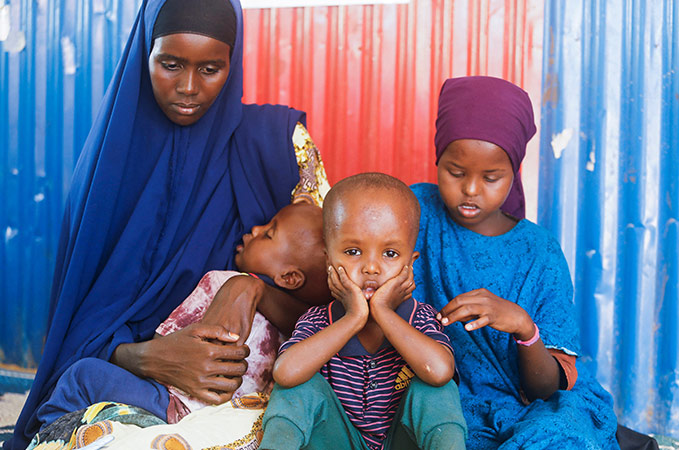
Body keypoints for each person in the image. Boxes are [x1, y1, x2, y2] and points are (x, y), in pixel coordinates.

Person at [8, 0, 329, 447]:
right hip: (124, 383)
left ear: (232, 65)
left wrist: (246, 286)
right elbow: (77, 325)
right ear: (145, 54)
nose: (188, 87)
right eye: (171, 64)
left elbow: (333, 306)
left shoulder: (274, 147)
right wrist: (145, 358)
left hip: (244, 399)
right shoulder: (105, 171)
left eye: (211, 69)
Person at [410, 76, 619, 449]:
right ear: (437, 158)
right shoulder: (415, 212)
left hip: (532, 408)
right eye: (455, 172)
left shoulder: (539, 253)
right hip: (444, 400)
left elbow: (543, 390)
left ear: (514, 172)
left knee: (561, 437)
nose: (471, 189)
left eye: (491, 177)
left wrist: (524, 327)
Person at [34, 203, 330, 429]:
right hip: (233, 424)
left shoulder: (221, 281)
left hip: (172, 406)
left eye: (268, 233)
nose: (254, 229)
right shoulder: (308, 327)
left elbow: (165, 342)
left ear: (289, 278)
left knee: (82, 375)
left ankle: (48, 436)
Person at [260, 173, 467, 450]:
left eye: (390, 254)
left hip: (401, 443)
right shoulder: (317, 320)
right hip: (337, 441)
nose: (371, 267)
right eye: (353, 251)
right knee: (298, 387)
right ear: (328, 260)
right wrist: (354, 318)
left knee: (435, 390)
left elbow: (440, 371)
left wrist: (383, 312)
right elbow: (285, 374)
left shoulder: (421, 318)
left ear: (411, 264)